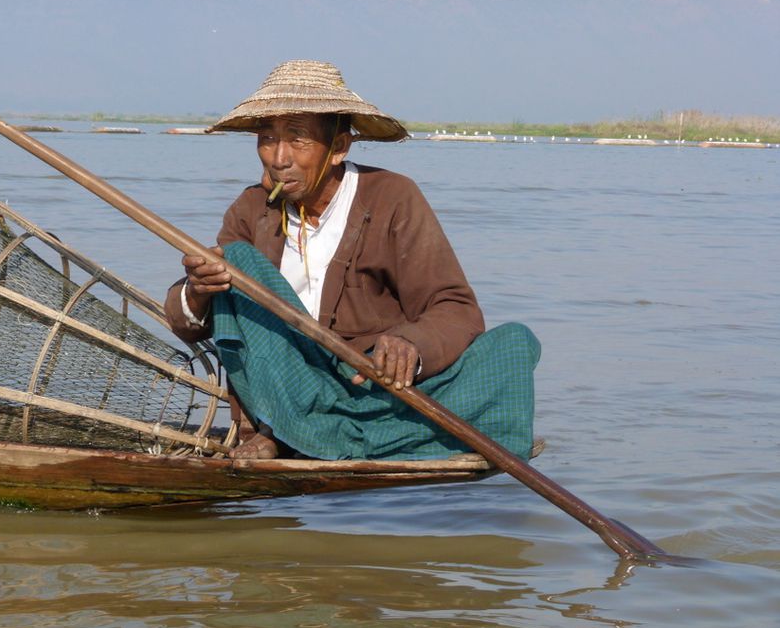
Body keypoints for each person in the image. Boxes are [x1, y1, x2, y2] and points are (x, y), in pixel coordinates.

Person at [165, 60, 538, 460]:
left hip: (372, 390)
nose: (278, 157)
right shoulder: (251, 209)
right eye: (267, 138)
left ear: (339, 148)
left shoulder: (392, 198)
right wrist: (199, 290)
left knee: (514, 343)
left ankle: (327, 437)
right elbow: (185, 320)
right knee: (237, 261)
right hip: (286, 391)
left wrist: (410, 345)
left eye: (297, 139)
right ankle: (283, 430)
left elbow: (454, 309)